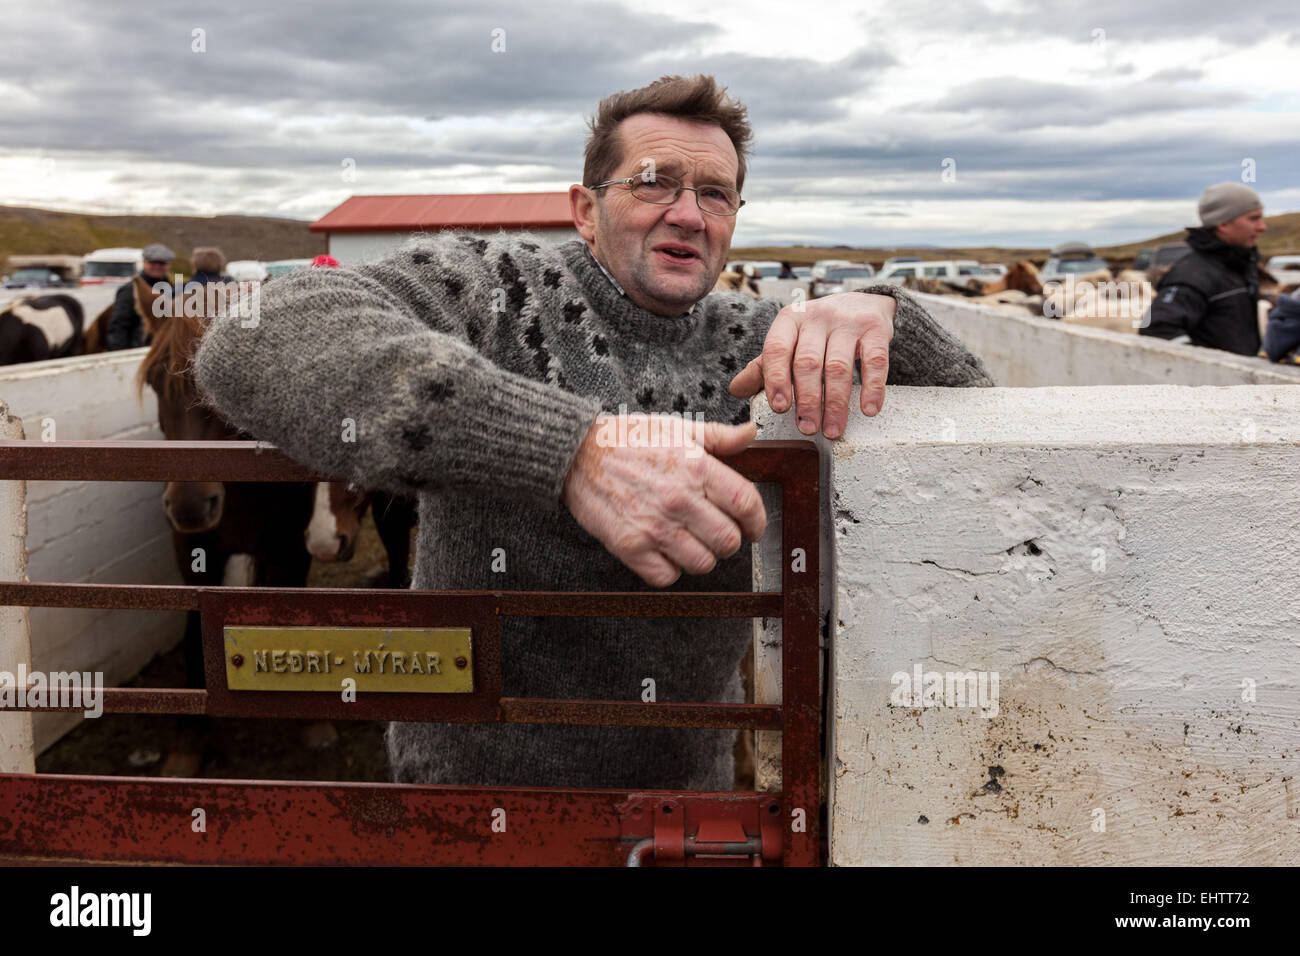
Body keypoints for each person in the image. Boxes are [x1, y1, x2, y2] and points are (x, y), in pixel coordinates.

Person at [193, 74, 994, 791]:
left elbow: (996, 426)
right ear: (584, 209)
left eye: (715, 194)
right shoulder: (495, 289)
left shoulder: (763, 342)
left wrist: (885, 311)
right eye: (653, 183)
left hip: (691, 801)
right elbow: (258, 334)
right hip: (474, 798)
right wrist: (568, 449)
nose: (687, 211)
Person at [1139, 183, 1267, 355]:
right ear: (1223, 223)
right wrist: (1206, 371)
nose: (1262, 227)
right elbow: (1158, 330)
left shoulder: (1239, 266)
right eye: (1253, 218)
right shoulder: (1192, 276)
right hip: (1222, 381)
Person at [106, 242, 174, 350]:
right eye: (152, 263)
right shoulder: (130, 290)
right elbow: (118, 325)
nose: (157, 266)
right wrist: (120, 354)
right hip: (137, 351)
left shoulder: (172, 290)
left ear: (169, 265)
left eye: (161, 263)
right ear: (144, 262)